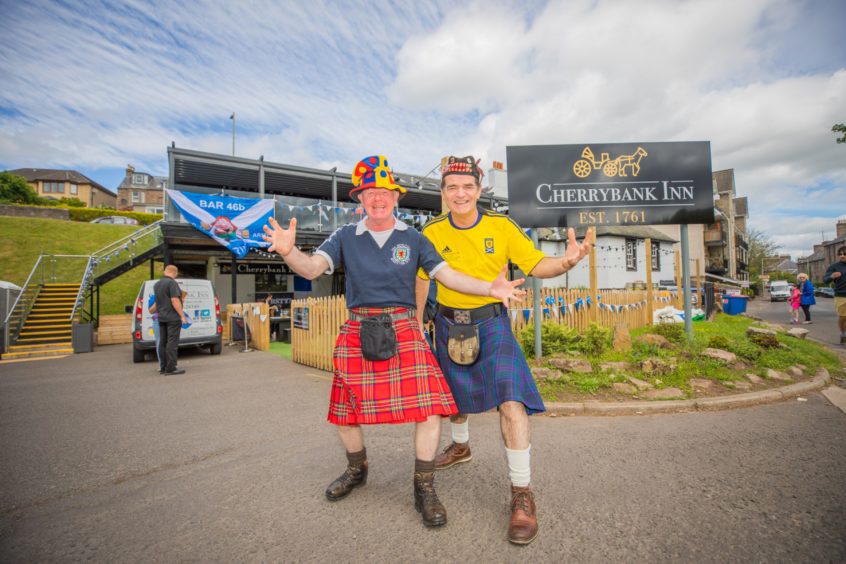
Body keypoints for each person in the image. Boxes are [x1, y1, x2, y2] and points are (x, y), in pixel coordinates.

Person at [262, 154, 526, 528]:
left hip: (403, 327)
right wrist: (289, 251)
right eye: (369, 192)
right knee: (345, 409)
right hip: (359, 327)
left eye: (384, 191)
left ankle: (424, 486)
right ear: (360, 199)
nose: (377, 198)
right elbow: (312, 268)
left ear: (396, 197)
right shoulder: (343, 238)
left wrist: (490, 288)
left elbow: (448, 276)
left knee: (429, 409)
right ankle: (357, 469)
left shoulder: (414, 239)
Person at [415, 155, 592, 545]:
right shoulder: (429, 232)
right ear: (443, 193)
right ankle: (461, 446)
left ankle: (521, 493)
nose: (460, 194)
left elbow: (535, 263)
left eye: (468, 187)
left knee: (511, 401)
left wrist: (566, 262)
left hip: (492, 322)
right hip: (446, 321)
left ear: (479, 190)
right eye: (452, 187)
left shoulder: (501, 226)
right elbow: (423, 280)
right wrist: (415, 323)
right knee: (449, 394)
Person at [153, 264, 188, 375]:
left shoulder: (157, 284)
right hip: (172, 317)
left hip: (161, 317)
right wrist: (182, 316)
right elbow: (175, 301)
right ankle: (171, 368)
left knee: (163, 342)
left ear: (165, 272)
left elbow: (158, 302)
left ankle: (163, 366)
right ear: (175, 273)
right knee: (172, 343)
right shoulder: (172, 283)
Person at [822, 246, 846, 344]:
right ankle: (843, 333)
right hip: (841, 295)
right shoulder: (834, 266)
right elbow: (825, 280)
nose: (842, 256)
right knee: (843, 317)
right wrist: (832, 276)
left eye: (844, 254)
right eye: (840, 254)